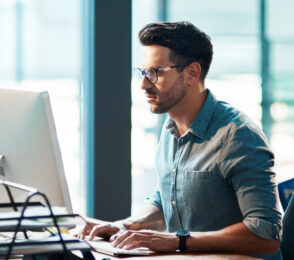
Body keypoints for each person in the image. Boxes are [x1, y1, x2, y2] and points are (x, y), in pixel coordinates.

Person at [73, 21, 283, 259]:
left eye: (155, 73)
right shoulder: (170, 128)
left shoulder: (238, 136)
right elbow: (166, 201)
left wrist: (177, 240)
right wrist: (126, 227)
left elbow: (266, 234)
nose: (143, 84)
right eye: (143, 72)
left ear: (192, 73)